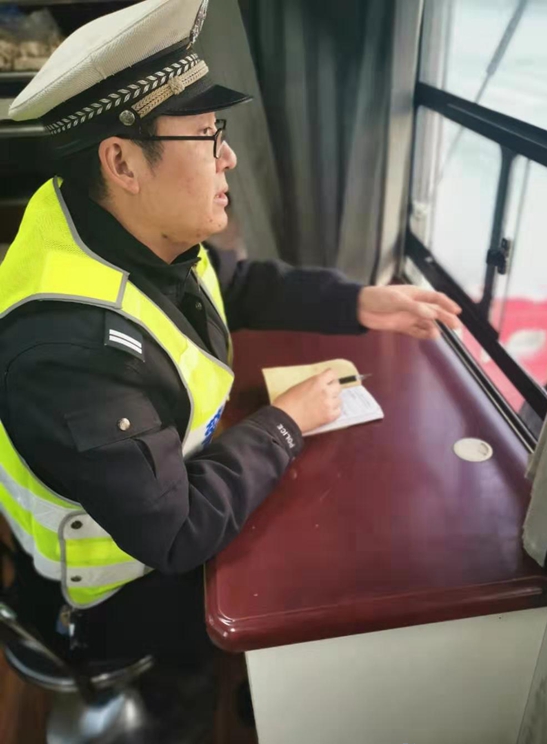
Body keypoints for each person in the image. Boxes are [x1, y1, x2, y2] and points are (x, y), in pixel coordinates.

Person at [0, 0, 461, 671]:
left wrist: (359, 302)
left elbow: (234, 283)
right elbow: (178, 531)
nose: (230, 157)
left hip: (161, 497)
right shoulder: (68, 352)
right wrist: (286, 422)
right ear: (123, 163)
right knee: (322, 589)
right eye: (206, 135)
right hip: (115, 599)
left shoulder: (113, 223)